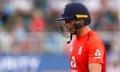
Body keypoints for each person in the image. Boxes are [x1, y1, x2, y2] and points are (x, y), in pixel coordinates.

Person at [56, 2, 106, 72]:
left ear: (81, 21)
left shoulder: (93, 41)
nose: (66, 25)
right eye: (65, 22)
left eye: (69, 21)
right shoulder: (76, 40)